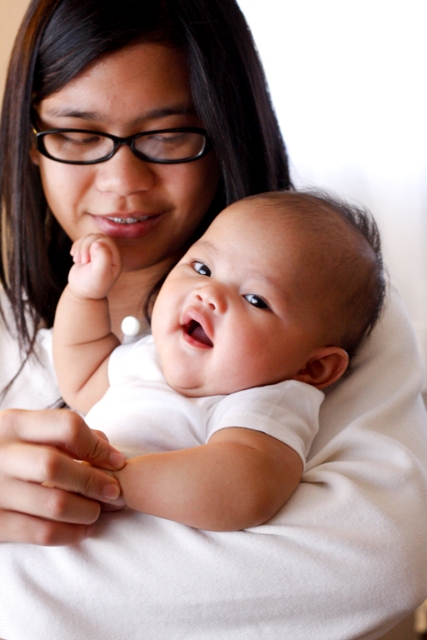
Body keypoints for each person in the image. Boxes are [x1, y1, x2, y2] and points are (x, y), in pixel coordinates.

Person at [0, 0, 426, 638]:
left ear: (226, 130)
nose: (122, 182)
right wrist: (85, 292)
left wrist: (106, 486)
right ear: (31, 141)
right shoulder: (134, 354)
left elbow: (377, 563)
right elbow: (84, 369)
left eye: (167, 135)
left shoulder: (315, 314)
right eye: (79, 135)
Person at [52, 191, 385, 532]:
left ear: (312, 367)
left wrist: (111, 483)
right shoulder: (151, 354)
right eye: (202, 268)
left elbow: (244, 487)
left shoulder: (264, 399)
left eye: (255, 299)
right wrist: (84, 294)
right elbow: (82, 378)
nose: (208, 293)